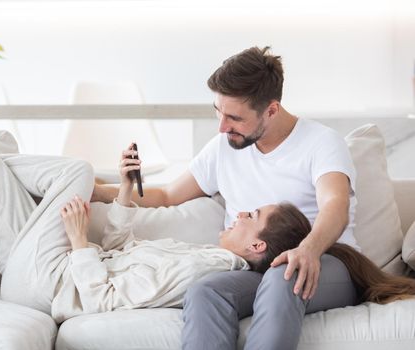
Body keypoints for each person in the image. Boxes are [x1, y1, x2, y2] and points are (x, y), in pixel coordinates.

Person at [0, 147, 412, 324]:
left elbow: (101, 299)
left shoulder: (202, 269)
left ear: (256, 247)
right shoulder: (205, 252)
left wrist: (77, 242)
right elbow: (121, 249)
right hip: (42, 271)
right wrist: (123, 196)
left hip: (50, 284)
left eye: (249, 216)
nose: (237, 214)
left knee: (73, 169)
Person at [91, 46, 360, 349]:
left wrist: (308, 249)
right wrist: (101, 192)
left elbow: (335, 204)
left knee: (283, 277)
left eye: (233, 117)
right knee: (205, 291)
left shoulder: (321, 143)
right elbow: (168, 194)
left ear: (271, 109)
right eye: (218, 112)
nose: (221, 127)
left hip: (323, 263)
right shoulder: (223, 147)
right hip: (255, 268)